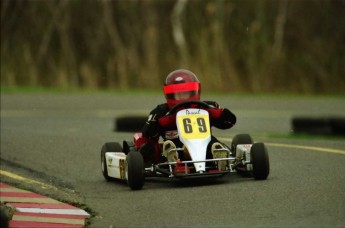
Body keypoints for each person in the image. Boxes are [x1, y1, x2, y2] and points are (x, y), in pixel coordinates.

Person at [141, 69, 236, 171]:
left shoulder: (208, 107)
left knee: (212, 143)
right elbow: (147, 133)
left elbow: (229, 122)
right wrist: (159, 121)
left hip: (205, 143)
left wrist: (219, 114)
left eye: (186, 94)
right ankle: (172, 156)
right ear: (170, 95)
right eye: (179, 94)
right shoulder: (161, 111)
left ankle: (218, 154)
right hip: (177, 145)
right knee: (170, 144)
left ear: (194, 92)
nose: (183, 98)